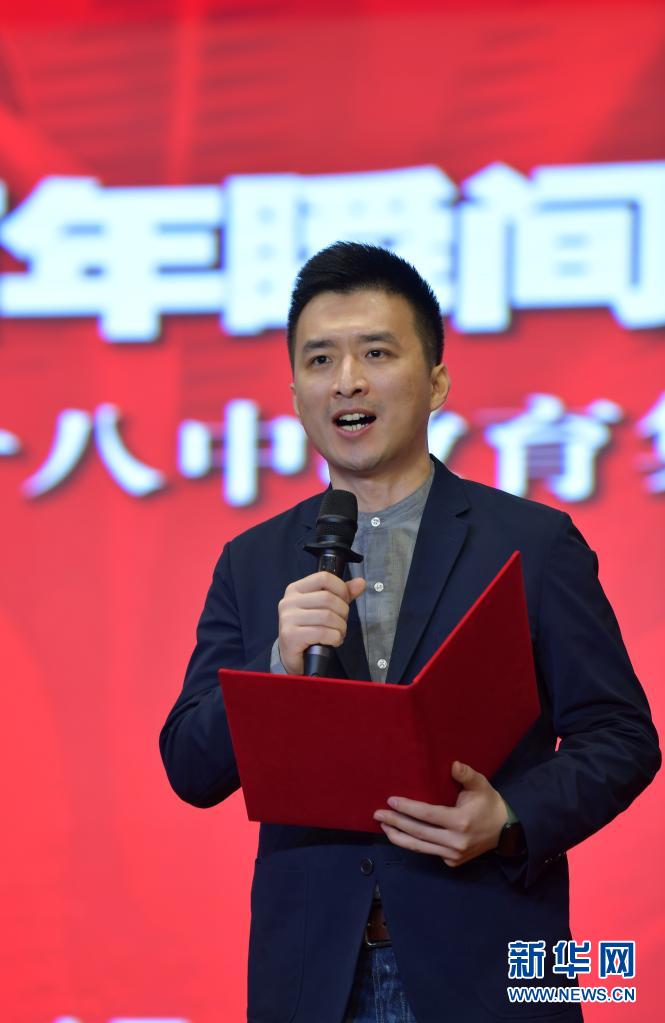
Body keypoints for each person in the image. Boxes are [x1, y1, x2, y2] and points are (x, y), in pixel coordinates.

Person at [159, 242, 660, 1023]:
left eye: (375, 352)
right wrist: (274, 666)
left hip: (492, 964)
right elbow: (191, 765)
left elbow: (621, 736)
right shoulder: (252, 562)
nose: (346, 380)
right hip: (312, 980)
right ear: (294, 391)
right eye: (319, 359)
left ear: (436, 381)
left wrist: (508, 816)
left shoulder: (531, 543)